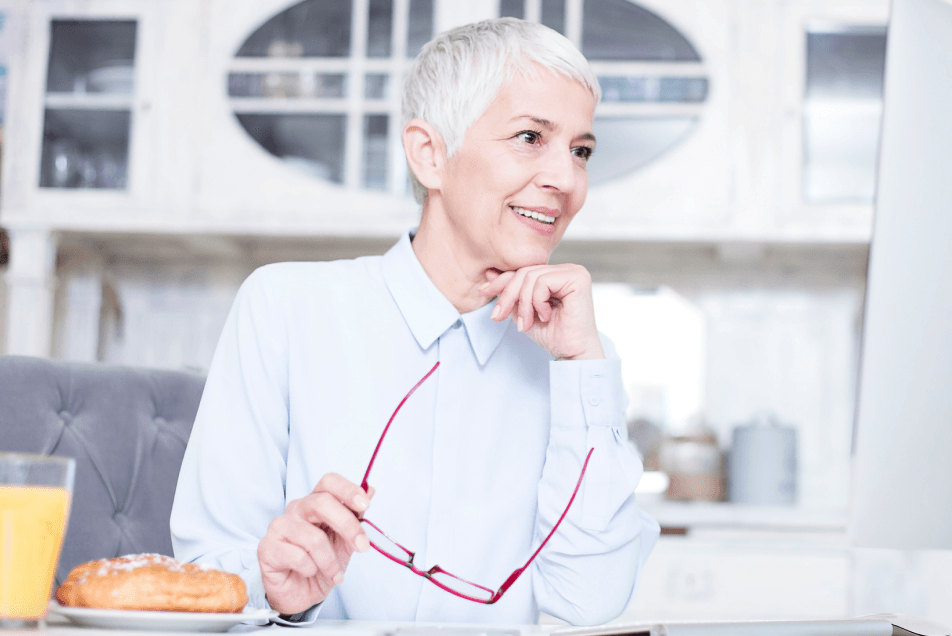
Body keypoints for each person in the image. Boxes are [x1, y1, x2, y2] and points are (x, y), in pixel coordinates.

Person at [170, 18, 659, 626]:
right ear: (431, 154)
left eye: (580, 151)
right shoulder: (283, 308)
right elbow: (209, 573)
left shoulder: (576, 359)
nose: (566, 179)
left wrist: (585, 369)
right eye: (531, 137)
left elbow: (588, 607)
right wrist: (278, 588)